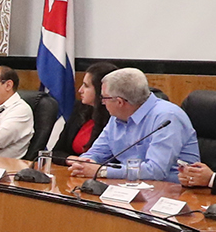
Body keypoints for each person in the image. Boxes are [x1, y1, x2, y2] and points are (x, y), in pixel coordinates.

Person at [69, 66, 198, 182]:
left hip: (174, 191)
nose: (102, 103)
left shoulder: (167, 118)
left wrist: (102, 171)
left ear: (119, 102)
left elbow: (156, 170)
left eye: (104, 98)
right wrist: (84, 163)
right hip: (130, 186)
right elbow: (97, 152)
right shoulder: (117, 117)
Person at [62, 62, 114, 159]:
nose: (80, 90)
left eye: (86, 86)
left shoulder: (115, 118)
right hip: (73, 166)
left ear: (101, 89)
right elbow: (57, 151)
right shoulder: (79, 109)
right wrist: (69, 159)